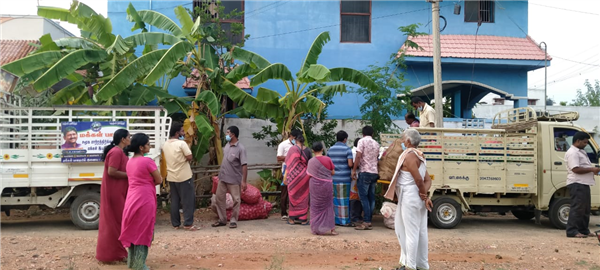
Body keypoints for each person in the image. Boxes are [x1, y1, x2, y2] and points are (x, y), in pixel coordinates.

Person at [384, 129, 433, 270]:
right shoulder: (420, 156)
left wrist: (423, 196)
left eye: (403, 139)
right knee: (421, 231)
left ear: (409, 141)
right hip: (416, 197)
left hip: (411, 197)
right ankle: (421, 264)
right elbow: (427, 180)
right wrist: (425, 195)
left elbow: (419, 179)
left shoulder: (410, 156)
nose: (402, 142)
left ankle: (410, 266)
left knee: (410, 232)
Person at [119, 133, 162, 270]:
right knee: (143, 230)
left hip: (131, 197)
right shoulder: (147, 161)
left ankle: (132, 262)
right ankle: (140, 264)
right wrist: (148, 182)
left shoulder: (130, 161)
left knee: (133, 229)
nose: (150, 146)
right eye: (148, 144)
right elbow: (159, 180)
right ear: (142, 147)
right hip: (145, 198)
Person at [96, 129, 130, 263]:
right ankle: (111, 255)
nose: (130, 139)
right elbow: (112, 171)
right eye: (128, 137)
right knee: (114, 223)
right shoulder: (116, 152)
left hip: (117, 191)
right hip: (114, 192)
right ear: (123, 139)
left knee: (116, 222)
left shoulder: (118, 152)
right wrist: (131, 174)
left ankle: (117, 253)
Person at [564, 132, 600, 238]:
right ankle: (572, 231)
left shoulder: (581, 151)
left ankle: (583, 230)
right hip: (577, 183)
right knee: (577, 208)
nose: (586, 144)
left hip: (584, 183)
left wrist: (594, 171)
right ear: (578, 141)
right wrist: (592, 169)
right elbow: (575, 169)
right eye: (584, 142)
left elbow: (584, 167)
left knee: (585, 209)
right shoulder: (573, 153)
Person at [163, 123, 197, 231]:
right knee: (187, 200)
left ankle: (175, 224)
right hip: (184, 176)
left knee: (175, 201)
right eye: (182, 131)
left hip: (171, 176)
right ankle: (188, 223)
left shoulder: (165, 144)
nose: (184, 133)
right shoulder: (181, 144)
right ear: (177, 133)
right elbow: (189, 156)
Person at [213, 126, 248, 229]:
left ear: (233, 135)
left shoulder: (241, 148)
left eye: (228, 132)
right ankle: (222, 219)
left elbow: (244, 165)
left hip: (234, 179)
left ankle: (233, 220)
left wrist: (244, 181)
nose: (226, 134)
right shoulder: (227, 145)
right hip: (223, 178)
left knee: (236, 200)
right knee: (219, 198)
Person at [351, 126, 380, 230]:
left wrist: (354, 170)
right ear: (372, 134)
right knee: (371, 197)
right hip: (374, 172)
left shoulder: (361, 141)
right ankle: (369, 219)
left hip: (364, 172)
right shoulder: (376, 143)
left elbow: (358, 156)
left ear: (363, 134)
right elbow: (377, 158)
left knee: (364, 197)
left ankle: (367, 221)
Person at [308, 142, 337, 235]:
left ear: (313, 151)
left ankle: (315, 229)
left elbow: (309, 174)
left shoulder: (311, 161)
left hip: (314, 186)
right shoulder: (328, 159)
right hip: (326, 185)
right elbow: (333, 172)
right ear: (322, 149)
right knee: (328, 206)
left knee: (315, 206)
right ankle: (332, 229)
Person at [327, 130, 354, 226]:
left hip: (333, 178)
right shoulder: (347, 149)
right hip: (344, 179)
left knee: (335, 200)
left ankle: (335, 220)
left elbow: (328, 164)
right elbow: (350, 164)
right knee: (344, 201)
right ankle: (344, 221)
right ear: (345, 139)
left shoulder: (330, 149)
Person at [284, 134, 312, 225]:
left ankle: (292, 219)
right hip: (304, 176)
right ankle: (303, 219)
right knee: (303, 197)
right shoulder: (307, 150)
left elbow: (287, 163)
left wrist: (285, 176)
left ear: (296, 140)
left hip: (293, 177)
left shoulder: (292, 149)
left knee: (293, 196)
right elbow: (310, 163)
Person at [277, 129, 302, 221]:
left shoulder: (300, 145)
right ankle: (283, 212)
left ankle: (296, 212)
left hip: (297, 170)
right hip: (286, 171)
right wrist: (290, 157)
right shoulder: (283, 145)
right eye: (295, 138)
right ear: (291, 136)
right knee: (285, 192)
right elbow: (279, 158)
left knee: (296, 192)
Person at [350, 138, 363, 226]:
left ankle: (356, 216)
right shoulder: (354, 153)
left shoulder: (352, 151)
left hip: (355, 176)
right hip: (355, 176)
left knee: (356, 197)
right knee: (355, 198)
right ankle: (354, 217)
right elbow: (353, 164)